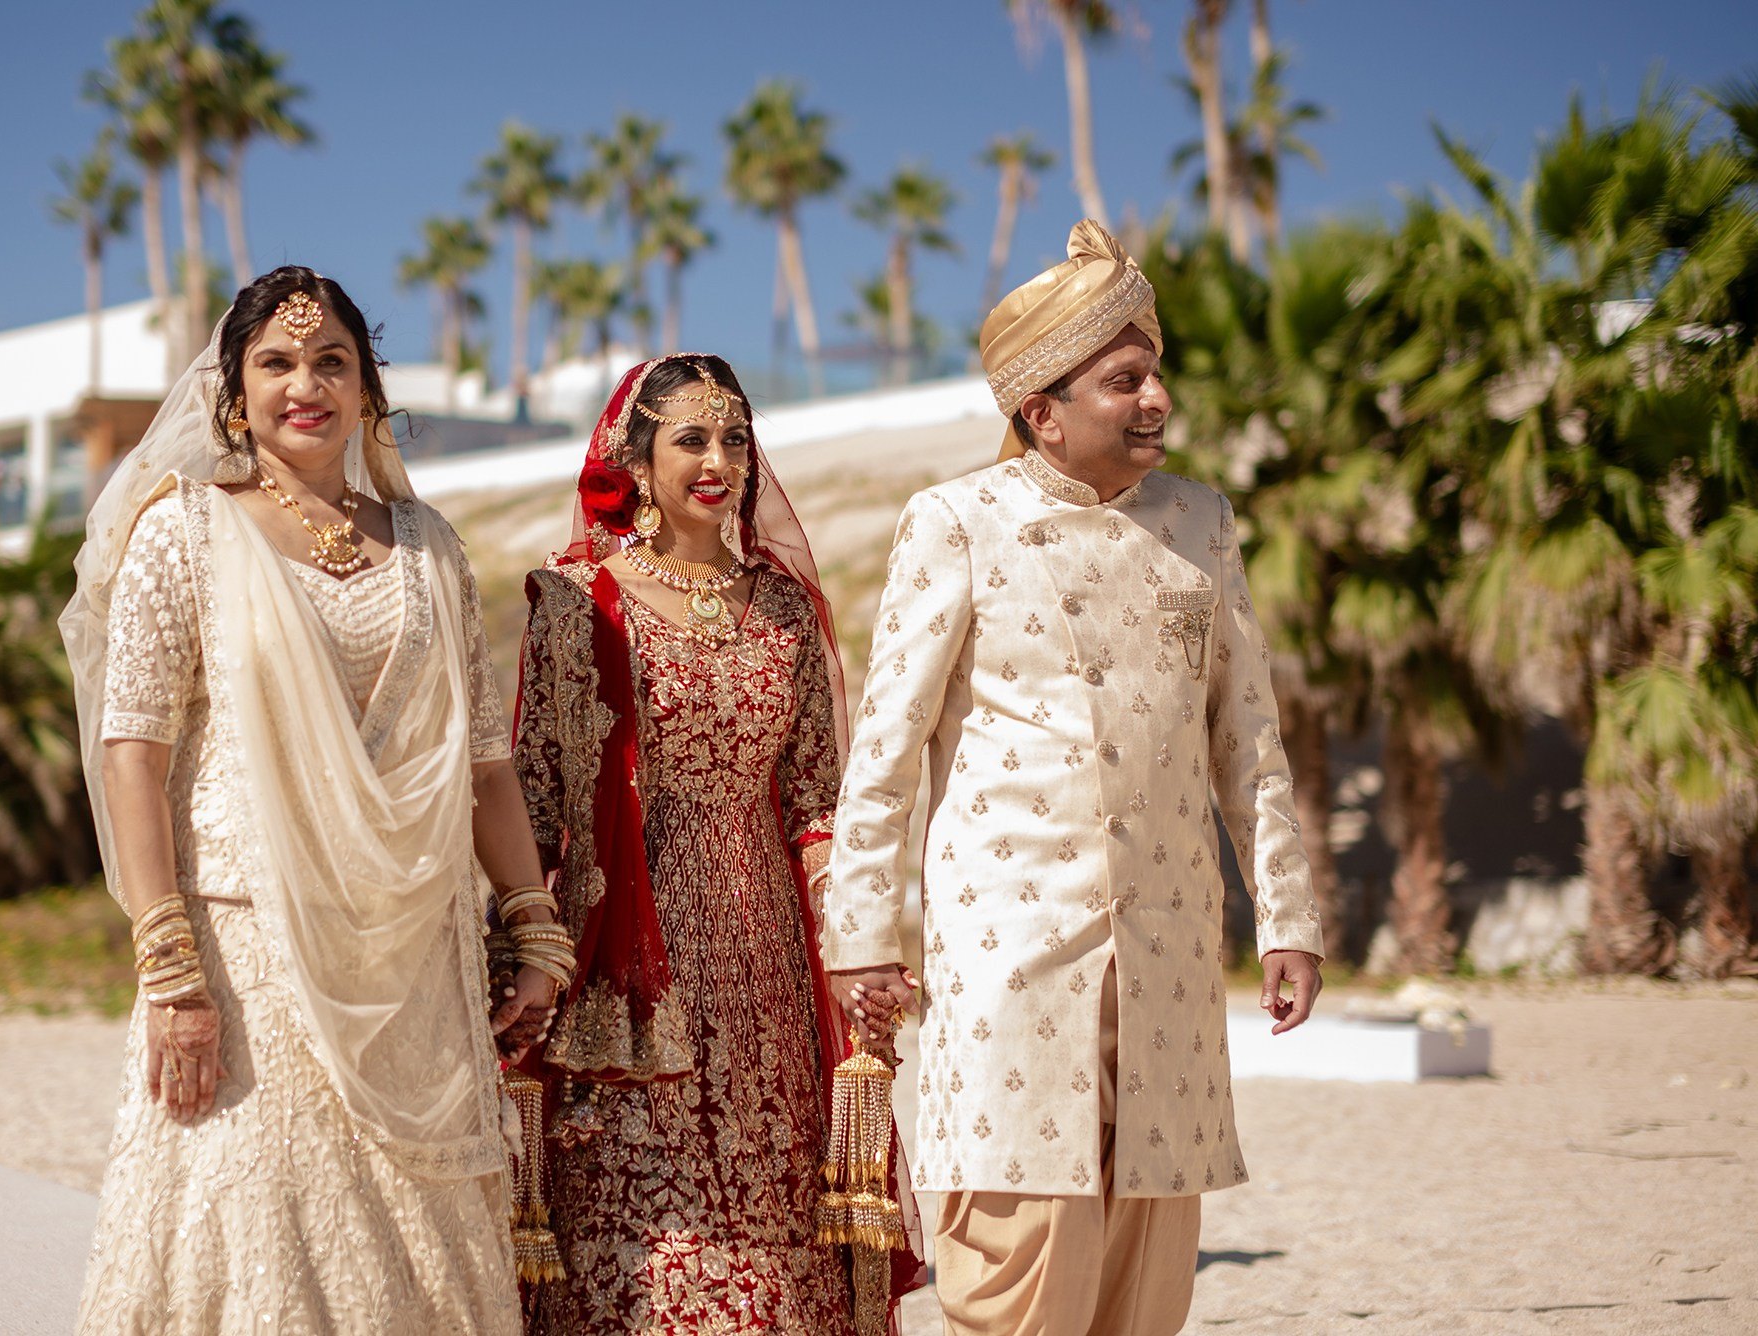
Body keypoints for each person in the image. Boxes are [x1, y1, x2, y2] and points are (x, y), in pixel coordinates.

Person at [819, 221, 1327, 1336]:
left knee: (1147, 1259)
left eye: (1154, 375)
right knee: (1020, 1244)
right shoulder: (957, 522)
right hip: (1014, 942)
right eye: (1123, 380)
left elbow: (1247, 738)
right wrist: (861, 933)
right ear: (1038, 409)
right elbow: (887, 751)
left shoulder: (1199, 521)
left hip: (1168, 939)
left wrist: (1284, 914)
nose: (1154, 400)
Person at [60, 266, 561, 1336]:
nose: (307, 384)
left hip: (416, 952)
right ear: (232, 396)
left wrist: (532, 922)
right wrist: (169, 967)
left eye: (333, 360)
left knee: (416, 1239)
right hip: (248, 949)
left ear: (368, 388)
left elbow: (480, 765)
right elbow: (131, 757)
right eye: (277, 362)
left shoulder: (428, 547)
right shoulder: (182, 531)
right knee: (258, 1220)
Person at [510, 355, 921, 1335]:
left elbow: (816, 800)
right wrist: (515, 950)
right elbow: (531, 804)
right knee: (634, 1230)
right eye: (689, 438)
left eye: (733, 438)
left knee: (771, 1220)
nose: (717, 460)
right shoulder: (577, 603)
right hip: (621, 961)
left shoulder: (781, 606)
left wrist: (854, 940)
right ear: (634, 459)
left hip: (767, 964)